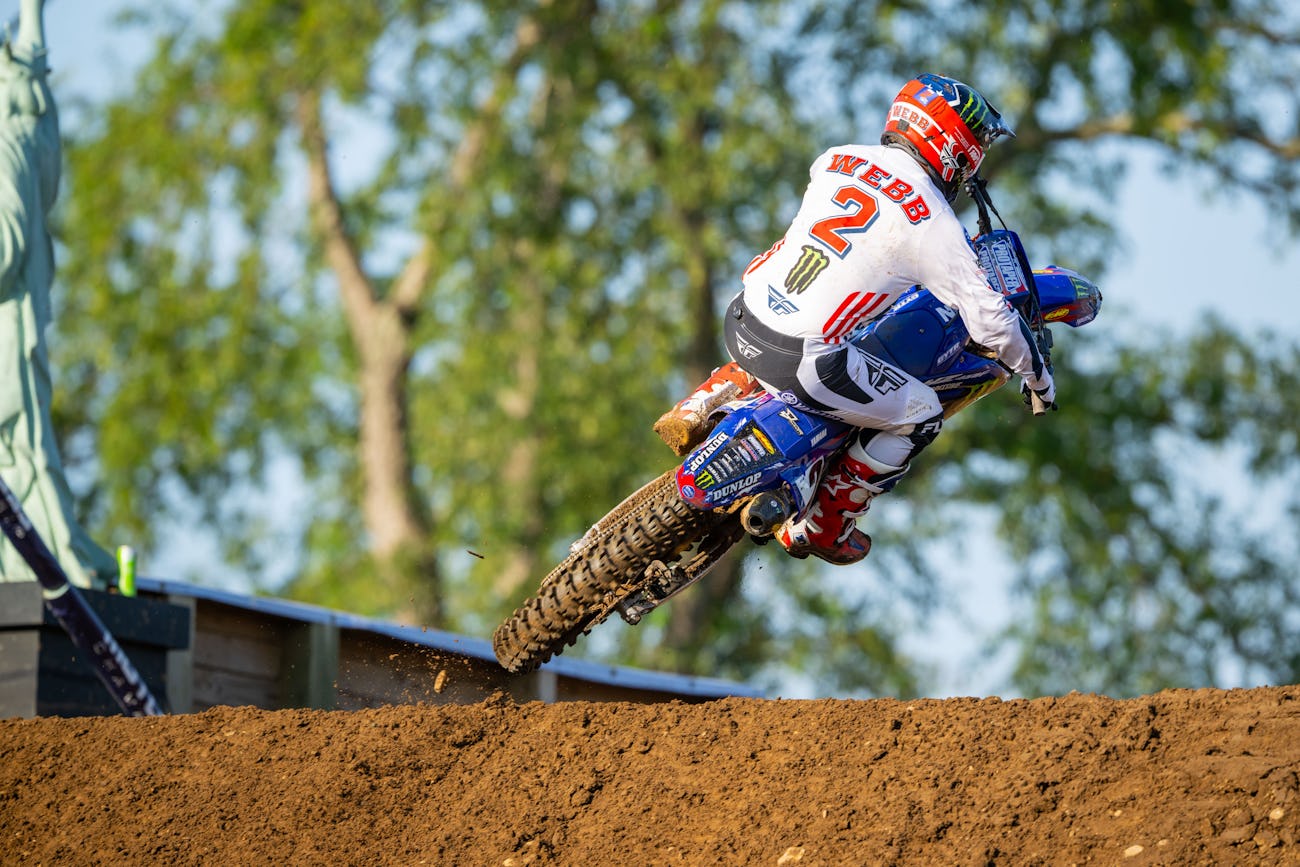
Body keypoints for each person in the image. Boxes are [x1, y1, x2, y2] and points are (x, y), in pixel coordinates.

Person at [659, 74, 1054, 566]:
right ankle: (825, 523)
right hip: (804, 361)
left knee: (807, 312)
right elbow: (991, 319)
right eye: (978, 143)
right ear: (954, 144)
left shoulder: (835, 158)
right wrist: (1038, 378)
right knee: (921, 415)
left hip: (742, 315)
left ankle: (705, 399)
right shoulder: (933, 222)